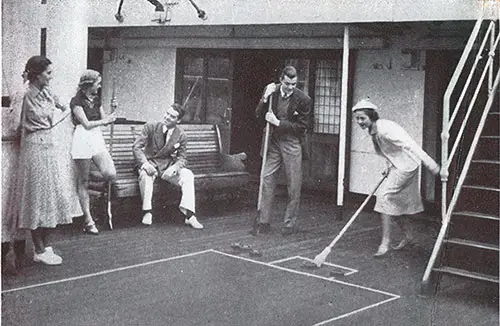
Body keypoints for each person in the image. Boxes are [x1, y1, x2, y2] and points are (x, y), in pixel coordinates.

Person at [352, 98, 440, 257]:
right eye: (357, 118)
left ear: (371, 116)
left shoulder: (386, 129)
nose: (360, 122)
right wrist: (388, 166)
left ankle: (385, 243)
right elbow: (387, 151)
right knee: (394, 203)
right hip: (399, 166)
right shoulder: (374, 130)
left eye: (362, 118)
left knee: (384, 198)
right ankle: (409, 237)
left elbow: (409, 145)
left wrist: (430, 163)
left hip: (406, 167)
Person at [16, 55, 82, 265]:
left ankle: (45, 245)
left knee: (50, 195)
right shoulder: (24, 95)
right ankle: (38, 248)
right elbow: (18, 124)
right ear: (36, 74)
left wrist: (56, 118)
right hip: (33, 147)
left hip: (49, 146)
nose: (51, 77)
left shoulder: (48, 92)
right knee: (36, 196)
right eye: (48, 73)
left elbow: (66, 108)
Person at [252, 65, 312, 236]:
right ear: (281, 80)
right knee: (267, 179)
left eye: (294, 84)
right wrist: (265, 98)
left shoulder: (304, 99)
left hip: (292, 142)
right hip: (273, 141)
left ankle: (289, 224)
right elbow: (258, 114)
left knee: (293, 185)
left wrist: (278, 122)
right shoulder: (271, 91)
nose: (291, 87)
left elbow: (302, 127)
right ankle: (263, 221)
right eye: (287, 84)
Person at [132, 103, 203, 229]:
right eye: (167, 113)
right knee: (145, 175)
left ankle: (189, 215)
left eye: (172, 116)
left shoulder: (181, 135)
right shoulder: (151, 127)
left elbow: (182, 158)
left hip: (167, 167)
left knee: (188, 175)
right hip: (150, 163)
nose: (167, 117)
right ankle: (147, 212)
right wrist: (145, 164)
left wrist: (175, 168)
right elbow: (137, 147)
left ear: (178, 120)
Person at [71, 69, 117, 235]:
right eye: (97, 83)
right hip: (82, 138)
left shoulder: (97, 100)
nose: (99, 86)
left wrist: (112, 113)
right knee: (83, 181)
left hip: (96, 138)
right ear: (88, 84)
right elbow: (86, 124)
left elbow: (104, 120)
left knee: (110, 173)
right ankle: (88, 220)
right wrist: (106, 120)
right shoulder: (76, 101)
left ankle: (94, 197)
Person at [2, 70, 29, 274]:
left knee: (11, 201)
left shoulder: (23, 94)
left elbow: (16, 126)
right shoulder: (24, 94)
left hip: (15, 153)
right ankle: (12, 251)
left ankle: (16, 251)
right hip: (10, 152)